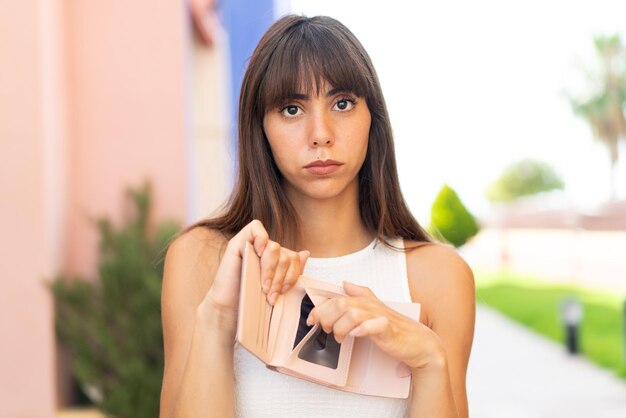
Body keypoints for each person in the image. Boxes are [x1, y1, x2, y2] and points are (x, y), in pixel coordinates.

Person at [159, 15, 475, 418]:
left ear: (372, 118)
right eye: (292, 109)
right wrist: (220, 316)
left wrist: (430, 361)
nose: (320, 133)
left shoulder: (438, 277)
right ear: (260, 128)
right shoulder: (202, 259)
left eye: (342, 104)